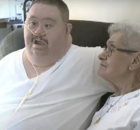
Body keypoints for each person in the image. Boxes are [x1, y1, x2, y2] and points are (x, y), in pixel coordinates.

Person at [0, 0, 112, 130]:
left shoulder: (91, 61)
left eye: (48, 25)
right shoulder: (7, 62)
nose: (38, 31)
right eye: (32, 23)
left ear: (66, 30)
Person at [87, 21, 140, 130]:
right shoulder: (115, 99)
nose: (101, 56)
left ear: (135, 61)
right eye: (106, 48)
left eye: (111, 48)